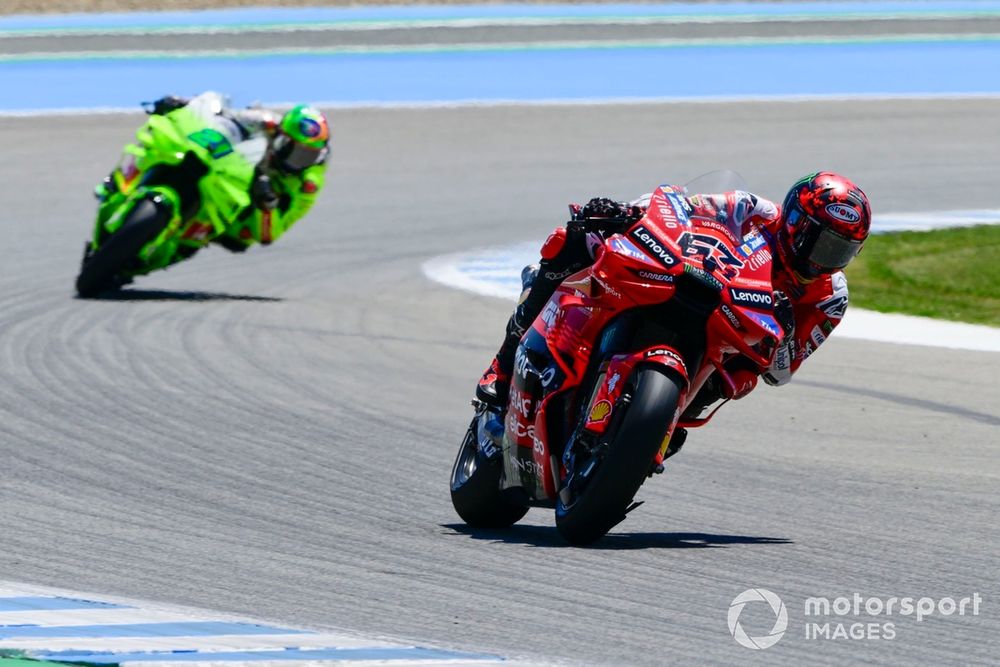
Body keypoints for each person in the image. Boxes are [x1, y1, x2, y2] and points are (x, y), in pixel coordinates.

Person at [476, 172, 872, 444]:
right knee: (574, 239)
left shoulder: (829, 297)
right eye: (821, 243)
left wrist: (783, 332)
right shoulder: (749, 210)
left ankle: (664, 425)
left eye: (841, 251)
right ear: (794, 224)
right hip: (686, 281)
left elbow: (782, 373)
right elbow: (677, 206)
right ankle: (504, 364)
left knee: (743, 377)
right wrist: (626, 212)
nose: (824, 260)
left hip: (732, 333)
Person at [94, 91, 330, 254]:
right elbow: (222, 115)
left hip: (243, 212)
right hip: (226, 167)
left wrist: (267, 205)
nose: (297, 161)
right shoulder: (267, 123)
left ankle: (181, 241)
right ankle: (122, 181)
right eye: (293, 151)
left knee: (237, 234)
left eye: (307, 157)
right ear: (281, 137)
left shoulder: (306, 185)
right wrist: (185, 104)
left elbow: (269, 236)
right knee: (161, 144)